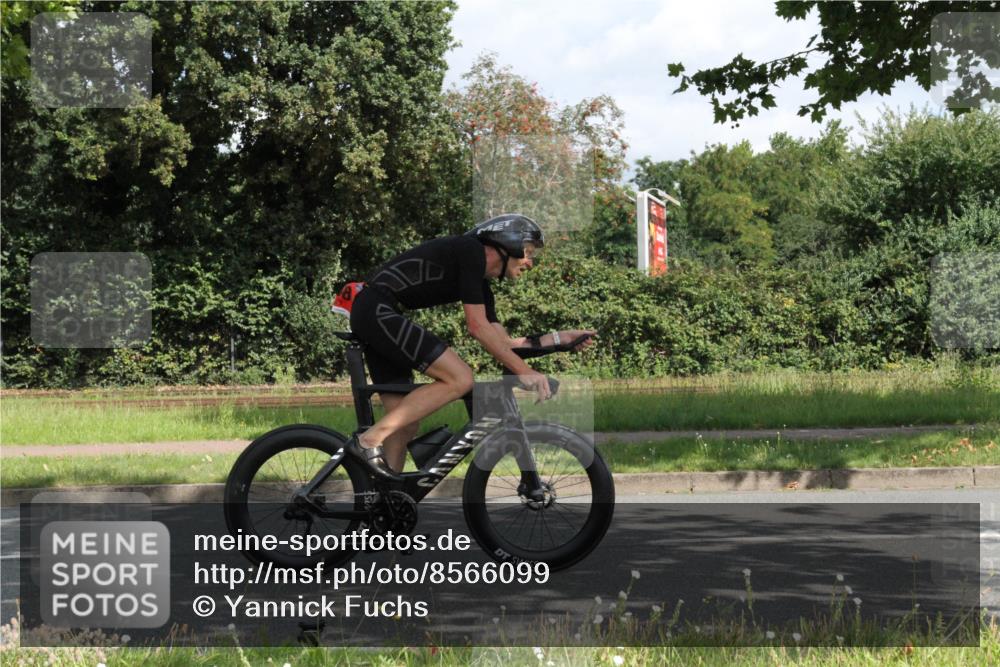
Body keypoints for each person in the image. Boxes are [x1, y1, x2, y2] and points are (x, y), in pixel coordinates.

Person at [346, 214, 594, 480]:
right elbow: (477, 327)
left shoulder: (480, 283)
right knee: (460, 378)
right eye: (528, 252)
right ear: (509, 243)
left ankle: (386, 496)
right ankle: (367, 442)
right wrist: (524, 371)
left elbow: (502, 343)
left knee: (403, 424)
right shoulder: (471, 251)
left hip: (376, 313)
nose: (530, 263)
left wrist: (558, 339)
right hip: (376, 310)